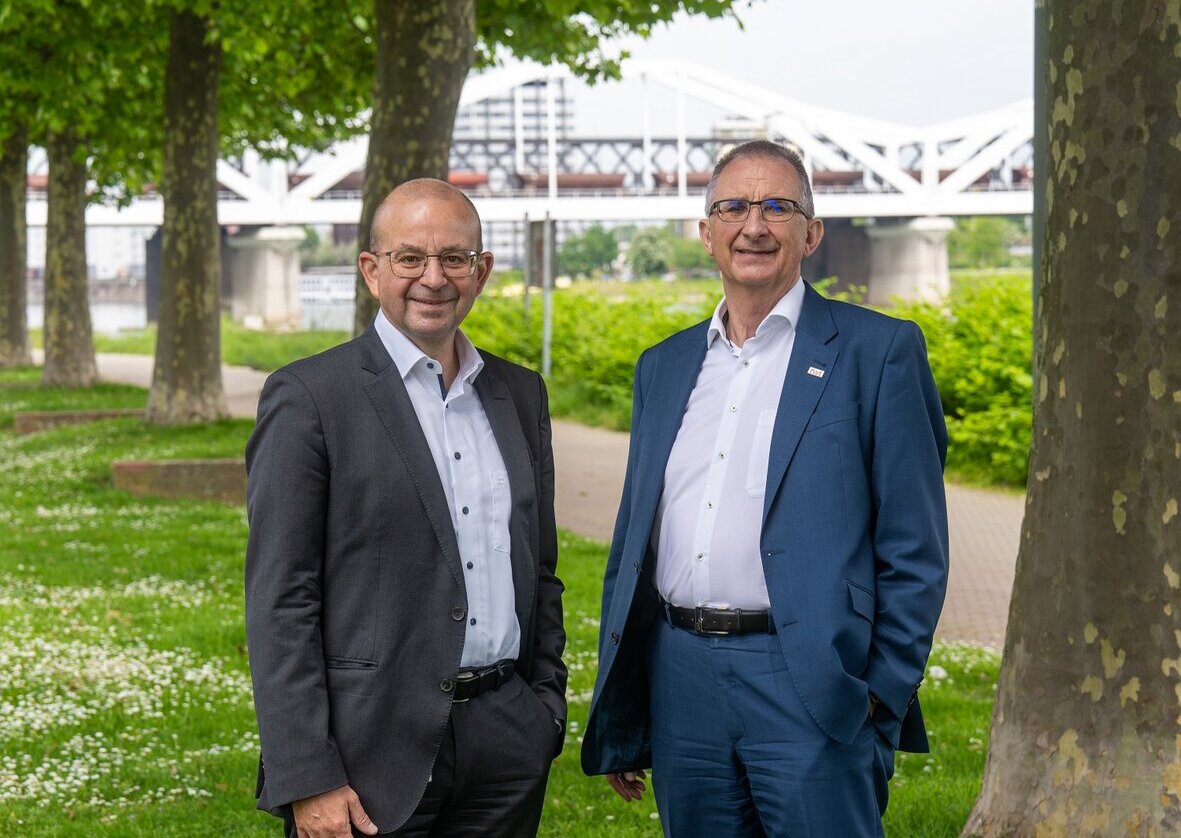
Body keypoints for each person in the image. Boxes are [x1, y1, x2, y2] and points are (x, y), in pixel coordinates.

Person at [581, 140, 949, 836]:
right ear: (706, 232)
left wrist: (880, 691)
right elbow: (633, 542)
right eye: (733, 208)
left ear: (811, 233)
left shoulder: (878, 352)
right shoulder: (662, 366)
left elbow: (915, 545)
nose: (753, 225)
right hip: (680, 678)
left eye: (777, 207)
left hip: (811, 679)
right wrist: (621, 701)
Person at [245, 178, 567, 837]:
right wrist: (306, 772)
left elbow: (539, 569)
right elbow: (281, 600)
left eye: (454, 258)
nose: (433, 278)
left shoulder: (520, 394)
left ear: (481, 271)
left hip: (506, 742)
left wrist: (544, 710)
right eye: (410, 257)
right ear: (372, 270)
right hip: (367, 753)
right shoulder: (309, 397)